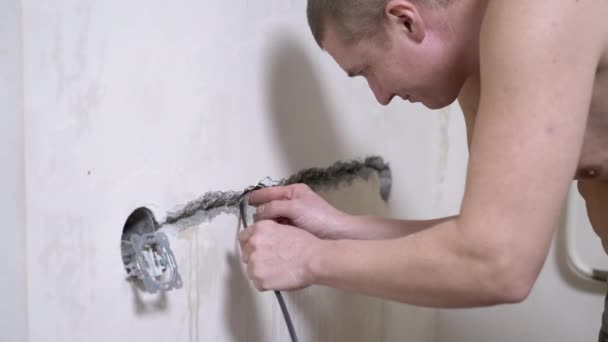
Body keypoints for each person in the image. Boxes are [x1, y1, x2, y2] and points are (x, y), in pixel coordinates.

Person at [238, 0, 608, 338]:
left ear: (405, 21)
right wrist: (339, 228)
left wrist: (308, 260)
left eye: (366, 70)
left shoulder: (538, 12)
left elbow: (499, 263)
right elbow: (484, 238)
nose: (380, 96)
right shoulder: (479, 59)